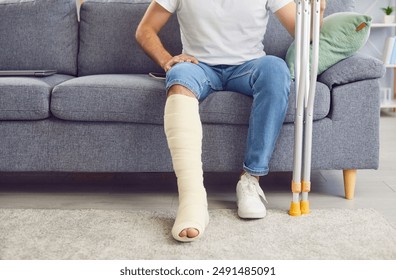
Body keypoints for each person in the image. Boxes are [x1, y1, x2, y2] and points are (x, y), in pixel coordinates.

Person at [136, 0, 326, 242]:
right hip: (198, 66)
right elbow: (144, 30)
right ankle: (193, 199)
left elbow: (304, 33)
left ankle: (250, 180)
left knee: (276, 69)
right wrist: (166, 60)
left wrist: (318, 13)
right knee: (178, 75)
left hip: (249, 66)